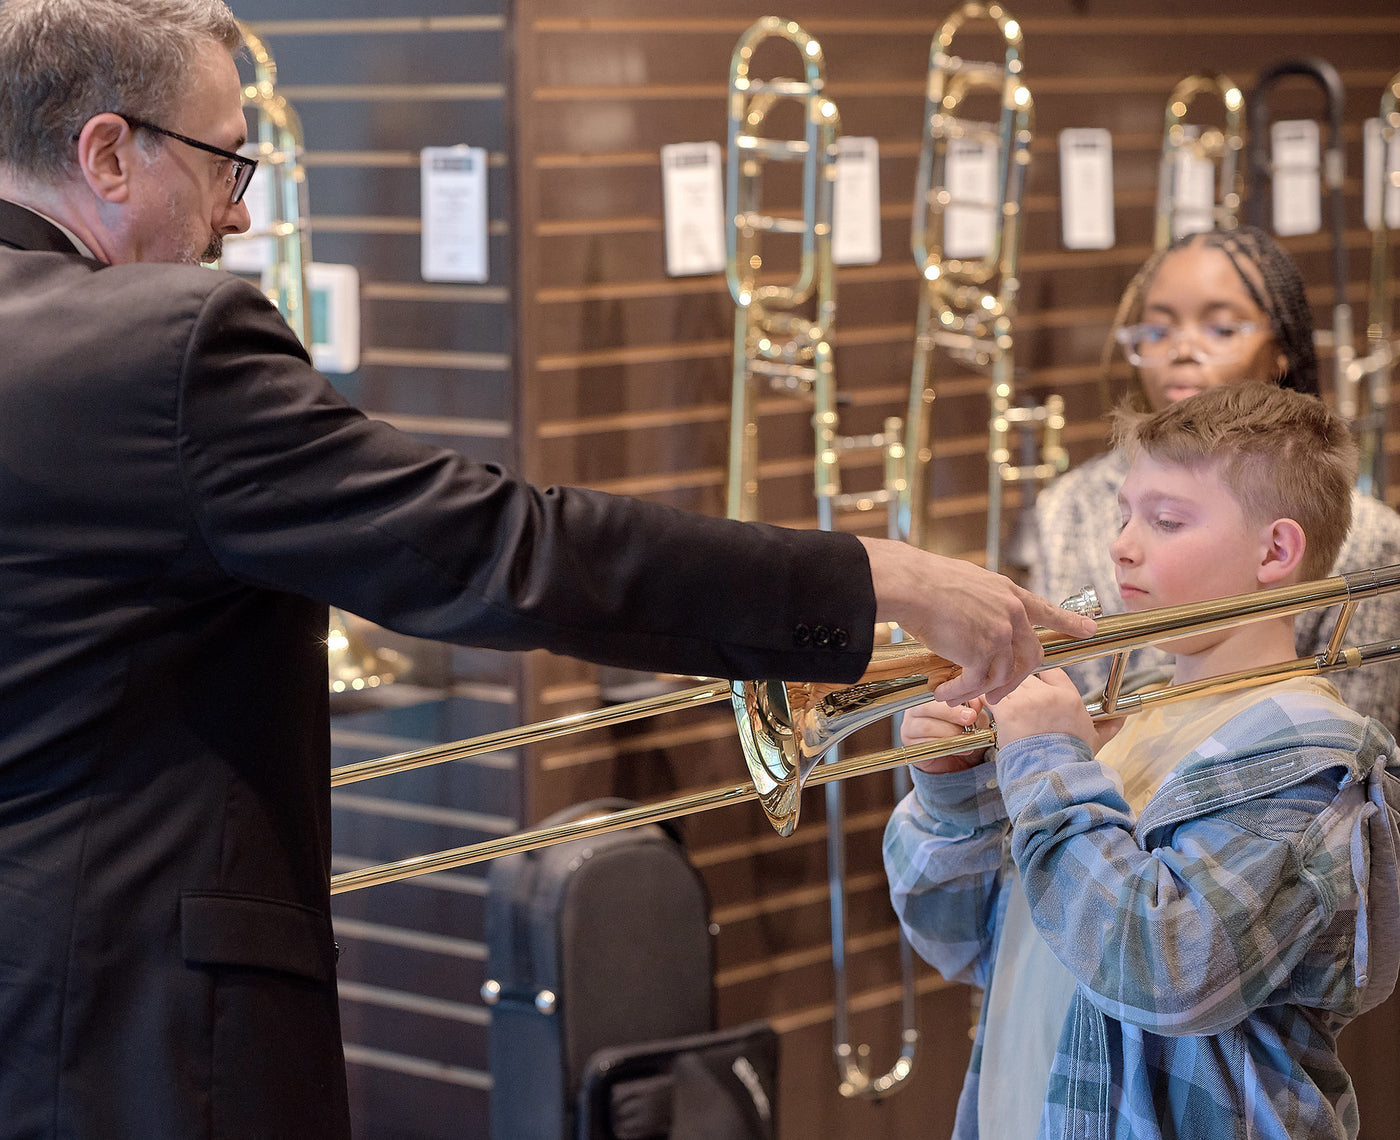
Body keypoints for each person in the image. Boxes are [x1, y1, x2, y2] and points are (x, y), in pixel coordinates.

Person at [0, 1, 1098, 1137]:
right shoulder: (160, 350)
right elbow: (499, 546)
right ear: (108, 154)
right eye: (226, 161)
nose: (237, 212)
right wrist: (870, 576)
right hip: (132, 1041)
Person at [884, 384, 1400, 1140]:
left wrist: (1049, 760)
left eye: (1165, 520)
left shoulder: (1310, 759)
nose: (1123, 542)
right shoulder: (1134, 718)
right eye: (1125, 513)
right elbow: (967, 942)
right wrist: (953, 800)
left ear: (1276, 551)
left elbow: (1165, 971)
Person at [1031, 225, 1400, 728]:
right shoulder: (1067, 503)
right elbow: (1063, 683)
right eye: (1158, 331)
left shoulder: (1371, 534)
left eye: (1221, 329)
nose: (1182, 350)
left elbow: (1361, 733)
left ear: (1281, 349)